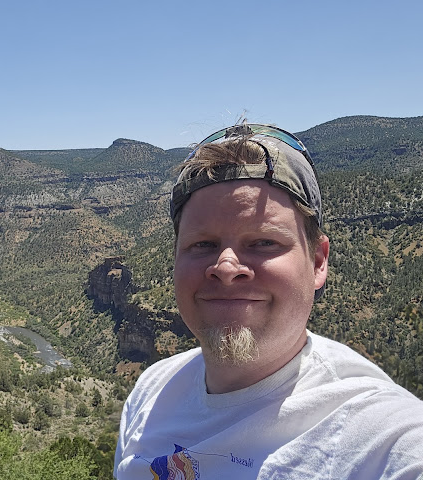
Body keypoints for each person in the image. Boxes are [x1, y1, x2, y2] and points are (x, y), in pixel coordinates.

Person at [113, 123, 423, 479]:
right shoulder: (150, 392)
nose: (226, 268)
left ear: (318, 262)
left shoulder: (382, 438)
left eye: (263, 242)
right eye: (203, 244)